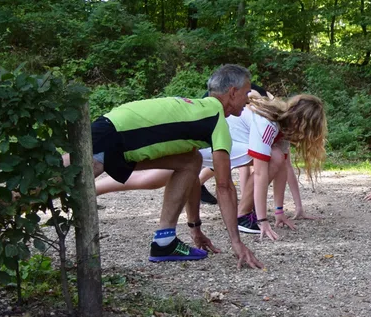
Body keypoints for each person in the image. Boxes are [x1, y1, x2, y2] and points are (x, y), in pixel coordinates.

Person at [81, 64, 262, 268]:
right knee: (51, 185)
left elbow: (193, 176)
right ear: (232, 92)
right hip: (111, 134)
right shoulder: (216, 120)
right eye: (246, 93)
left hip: (114, 129)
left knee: (190, 161)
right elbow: (224, 186)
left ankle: (164, 242)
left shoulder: (200, 109)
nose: (248, 99)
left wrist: (195, 228)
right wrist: (237, 243)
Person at [230, 94, 327, 241]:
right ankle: (242, 215)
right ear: (299, 121)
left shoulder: (283, 128)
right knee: (274, 157)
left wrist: (279, 212)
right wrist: (263, 220)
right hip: (222, 144)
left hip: (234, 143)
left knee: (278, 157)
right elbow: (260, 174)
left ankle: (245, 211)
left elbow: (282, 170)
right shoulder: (268, 125)